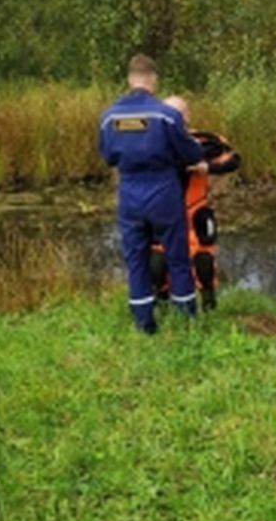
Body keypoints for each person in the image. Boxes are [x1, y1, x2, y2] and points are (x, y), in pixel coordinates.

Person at [98, 54, 204, 334]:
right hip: (163, 189)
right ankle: (186, 320)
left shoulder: (110, 117)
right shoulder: (166, 116)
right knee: (177, 255)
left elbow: (108, 156)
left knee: (136, 258)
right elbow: (191, 152)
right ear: (153, 80)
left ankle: (145, 323)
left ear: (129, 79)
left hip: (130, 190)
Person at [151, 95, 241, 311]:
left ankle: (209, 306)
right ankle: (162, 305)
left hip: (196, 210)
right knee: (157, 264)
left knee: (203, 262)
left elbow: (234, 160)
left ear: (188, 115)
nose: (174, 119)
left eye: (179, 114)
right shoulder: (151, 142)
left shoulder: (204, 141)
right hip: (163, 213)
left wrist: (206, 167)